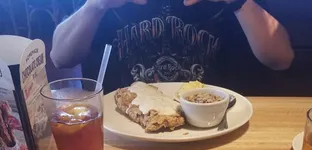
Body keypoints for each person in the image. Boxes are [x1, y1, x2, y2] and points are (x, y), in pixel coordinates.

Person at [51, 0, 294, 93]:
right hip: (126, 128)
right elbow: (60, 57)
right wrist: (95, 6)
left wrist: (238, 2)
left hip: (212, 125)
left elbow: (281, 58)